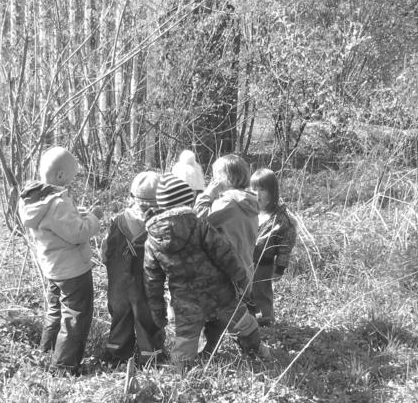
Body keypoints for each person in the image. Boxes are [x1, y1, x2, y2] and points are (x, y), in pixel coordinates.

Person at [144, 174, 266, 366]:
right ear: (187, 200)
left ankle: (180, 371)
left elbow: (152, 280)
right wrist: (241, 279)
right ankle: (257, 351)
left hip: (185, 300)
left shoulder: (152, 239)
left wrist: (158, 312)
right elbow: (224, 253)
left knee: (186, 338)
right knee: (242, 321)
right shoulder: (199, 225)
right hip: (219, 291)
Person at [19, 147, 103, 376]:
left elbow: (57, 225)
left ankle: (46, 353)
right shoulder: (56, 203)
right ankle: (64, 367)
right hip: (72, 270)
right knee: (75, 316)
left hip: (53, 267)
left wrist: (77, 213)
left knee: (55, 311)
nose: (73, 182)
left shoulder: (34, 197)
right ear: (59, 176)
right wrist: (94, 217)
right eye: (72, 177)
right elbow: (76, 233)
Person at [193, 154, 259, 355]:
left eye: (215, 177)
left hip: (227, 268)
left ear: (226, 179)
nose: (212, 181)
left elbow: (197, 219)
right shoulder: (249, 201)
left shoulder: (229, 203)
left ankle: (253, 346)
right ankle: (217, 347)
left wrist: (207, 194)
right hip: (244, 265)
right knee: (228, 308)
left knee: (225, 310)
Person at [101, 171, 165, 367]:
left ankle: (116, 355)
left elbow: (105, 252)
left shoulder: (118, 221)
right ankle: (150, 357)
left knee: (120, 318)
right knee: (148, 320)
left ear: (131, 197)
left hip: (119, 284)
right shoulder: (160, 225)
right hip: (147, 284)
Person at [249, 168, 297, 327]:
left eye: (262, 190)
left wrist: (280, 268)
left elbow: (285, 246)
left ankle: (266, 321)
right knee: (245, 293)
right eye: (254, 189)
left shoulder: (281, 219)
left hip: (264, 263)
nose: (257, 194)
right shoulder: (249, 211)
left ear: (272, 192)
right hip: (246, 261)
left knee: (261, 292)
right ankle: (248, 321)